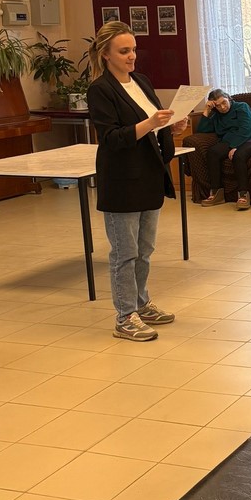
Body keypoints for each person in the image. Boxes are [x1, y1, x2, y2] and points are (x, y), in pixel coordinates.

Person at [86, 21, 178, 342]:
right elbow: (111, 138)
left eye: (134, 49)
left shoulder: (141, 81)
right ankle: (125, 316)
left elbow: (152, 126)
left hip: (148, 176)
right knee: (124, 253)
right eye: (124, 51)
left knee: (144, 249)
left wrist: (168, 127)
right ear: (106, 55)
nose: (132, 56)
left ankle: (141, 303)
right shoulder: (100, 89)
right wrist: (150, 123)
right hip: (122, 181)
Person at [196, 88, 251, 211]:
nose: (222, 107)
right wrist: (206, 110)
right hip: (229, 141)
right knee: (212, 153)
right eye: (218, 105)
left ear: (229, 98)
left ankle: (243, 194)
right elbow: (202, 130)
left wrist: (235, 146)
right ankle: (216, 193)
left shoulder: (242, 107)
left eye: (224, 102)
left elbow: (246, 128)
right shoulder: (216, 115)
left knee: (238, 156)